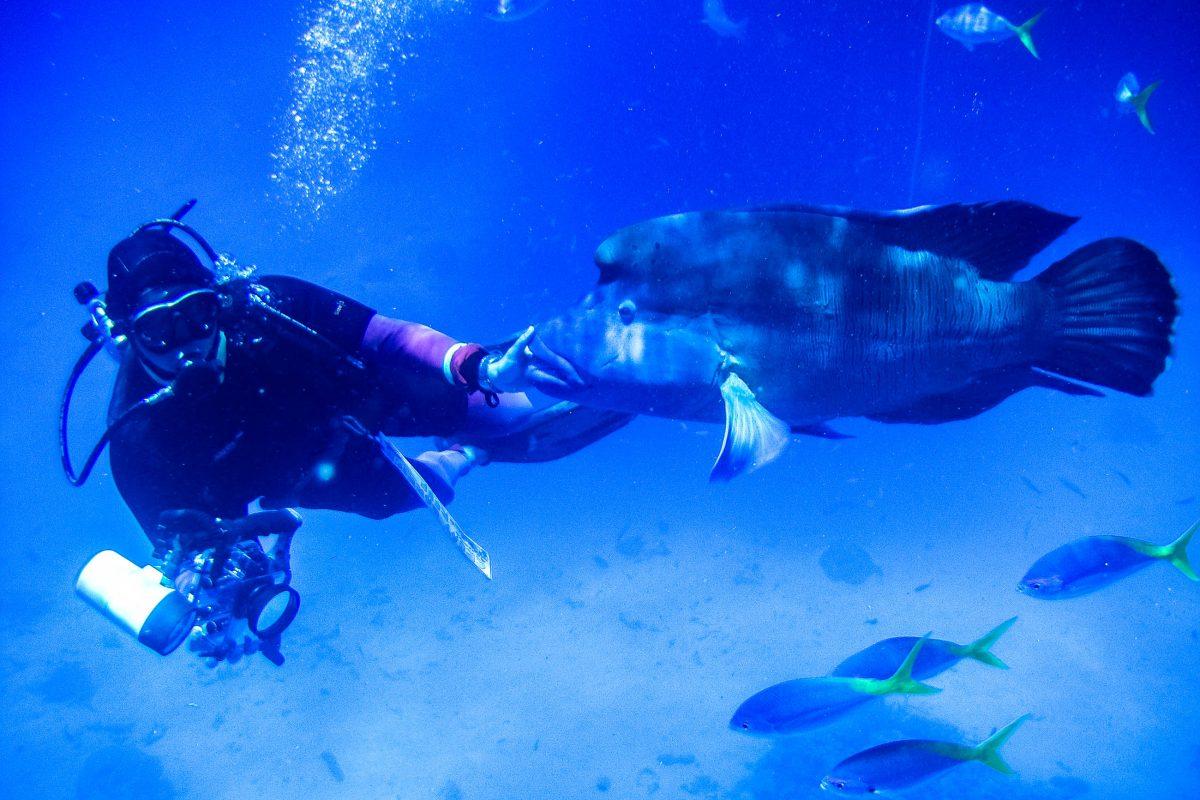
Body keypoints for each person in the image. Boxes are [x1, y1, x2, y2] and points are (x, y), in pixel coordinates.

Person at [101, 222, 572, 549]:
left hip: (365, 397)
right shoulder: (134, 434)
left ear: (218, 303)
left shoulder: (274, 306)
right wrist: (220, 583)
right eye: (161, 330)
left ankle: (473, 399)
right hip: (303, 469)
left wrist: (478, 368)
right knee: (403, 497)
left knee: (512, 413)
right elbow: (179, 550)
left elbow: (390, 336)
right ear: (130, 337)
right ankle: (469, 454)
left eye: (197, 315)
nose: (186, 346)